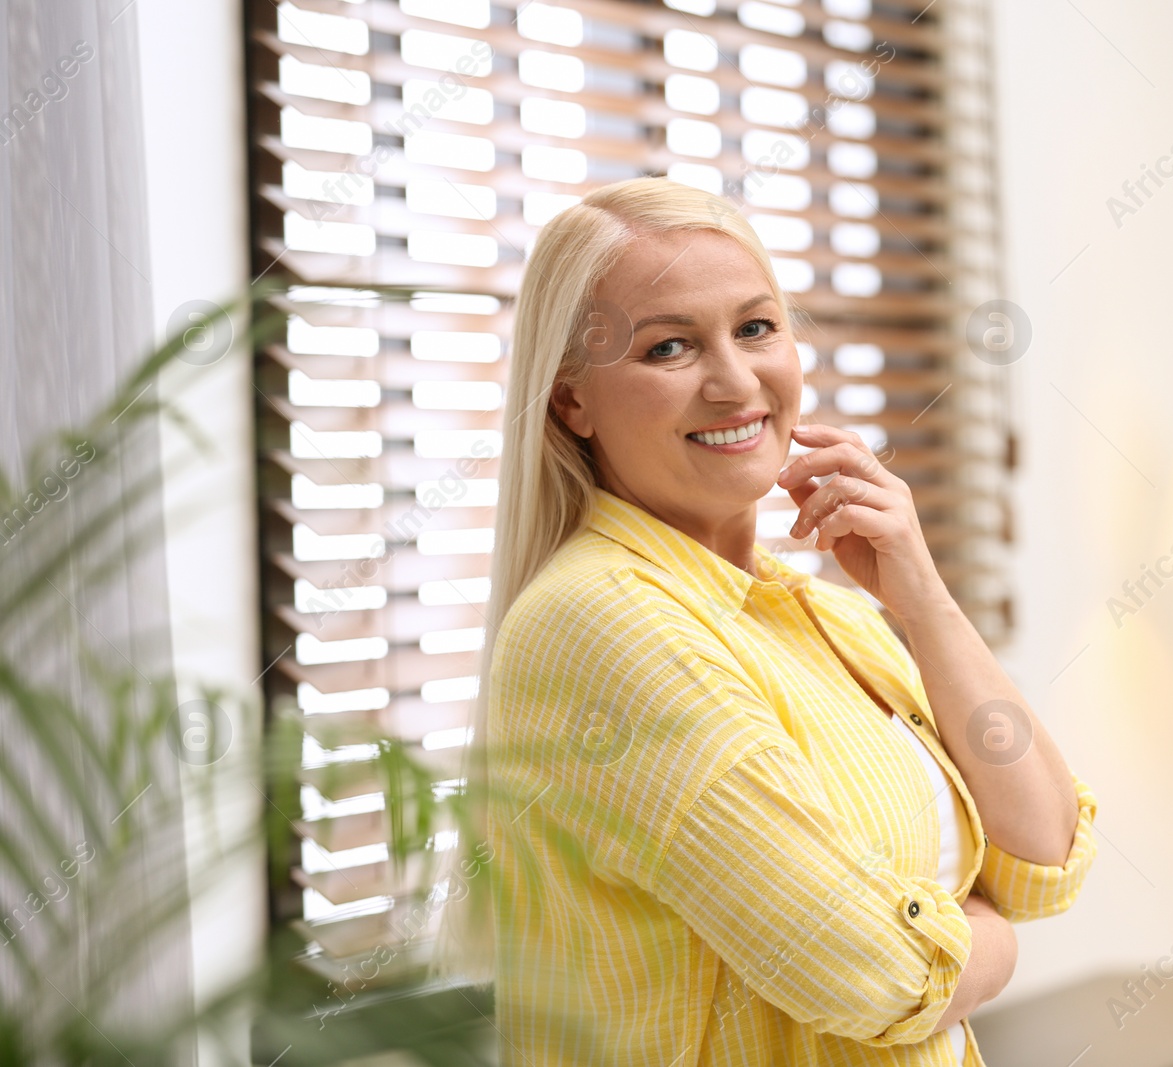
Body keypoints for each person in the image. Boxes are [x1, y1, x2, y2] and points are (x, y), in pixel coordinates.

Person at [432, 176, 1098, 1066]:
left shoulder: (822, 611)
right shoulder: (602, 621)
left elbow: (1043, 852)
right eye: (670, 347)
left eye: (755, 327)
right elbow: (872, 972)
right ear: (571, 404)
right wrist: (996, 941)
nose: (735, 381)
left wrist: (925, 601)